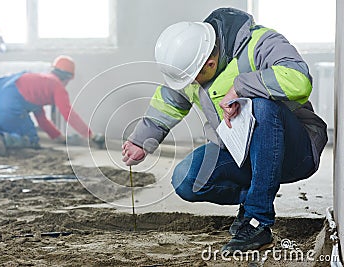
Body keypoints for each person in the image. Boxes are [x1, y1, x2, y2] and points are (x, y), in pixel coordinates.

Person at [122, 7, 328, 253]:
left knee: (261, 106)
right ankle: (254, 196)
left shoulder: (260, 42)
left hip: (295, 150)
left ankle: (257, 220)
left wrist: (241, 87)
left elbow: (299, 79)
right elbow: (169, 101)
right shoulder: (193, 66)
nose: (191, 85)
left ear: (210, 63)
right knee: (187, 180)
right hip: (240, 152)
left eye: (194, 78)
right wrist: (141, 140)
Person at [0, 55, 100, 148]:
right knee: (31, 139)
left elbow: (42, 119)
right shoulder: (57, 85)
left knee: (1, 129)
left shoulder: (39, 82)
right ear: (68, 78)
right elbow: (68, 114)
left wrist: (59, 137)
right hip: (7, 108)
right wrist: (89, 135)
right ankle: (2, 140)